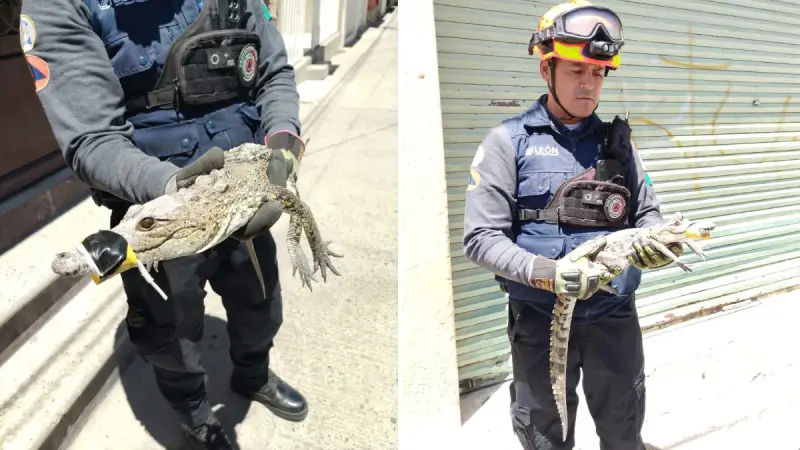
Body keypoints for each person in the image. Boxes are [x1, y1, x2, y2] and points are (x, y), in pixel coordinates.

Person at [21, 0, 308, 447]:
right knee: (169, 337)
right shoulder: (61, 6)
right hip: (159, 216)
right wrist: (176, 192)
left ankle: (253, 375)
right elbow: (93, 139)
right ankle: (195, 414)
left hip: (242, 203)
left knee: (261, 307)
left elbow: (273, 73)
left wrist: (284, 144)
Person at [462, 1, 685, 449]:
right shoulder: (507, 143)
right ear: (548, 70)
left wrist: (658, 244)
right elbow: (480, 239)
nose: (589, 85)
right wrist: (547, 273)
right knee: (545, 437)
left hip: (613, 320)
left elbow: (648, 215)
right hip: (541, 322)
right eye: (577, 72)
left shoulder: (620, 146)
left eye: (598, 74)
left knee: (624, 432)